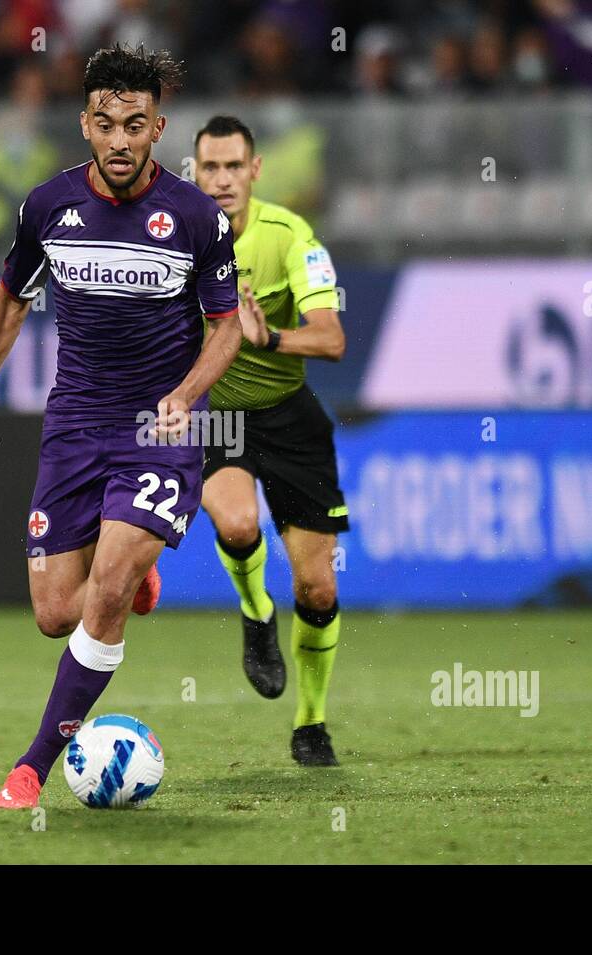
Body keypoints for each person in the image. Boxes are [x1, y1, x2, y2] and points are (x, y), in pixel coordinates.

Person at [0, 44, 243, 809]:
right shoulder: (48, 208)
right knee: (53, 614)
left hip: (159, 431)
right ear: (86, 126)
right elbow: (7, 303)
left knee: (103, 592)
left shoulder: (197, 217)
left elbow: (228, 326)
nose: (121, 140)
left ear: (158, 127)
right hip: (74, 424)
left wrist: (190, 390)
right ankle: (135, 580)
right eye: (106, 123)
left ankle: (31, 766)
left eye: (136, 124)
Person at [194, 115, 348, 766]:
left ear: (256, 170)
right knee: (234, 519)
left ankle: (310, 722)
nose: (223, 179)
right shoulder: (174, 239)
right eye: (210, 168)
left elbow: (333, 339)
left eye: (234, 166)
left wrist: (272, 339)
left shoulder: (291, 237)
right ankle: (257, 612)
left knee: (317, 590)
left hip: (288, 417)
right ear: (193, 172)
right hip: (219, 416)